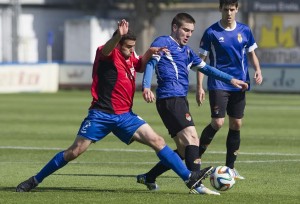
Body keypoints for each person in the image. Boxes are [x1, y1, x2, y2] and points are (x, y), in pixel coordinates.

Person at [16, 19, 213, 193]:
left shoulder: (130, 58)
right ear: (118, 44)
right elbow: (107, 48)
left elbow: (141, 65)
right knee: (74, 151)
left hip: (125, 116)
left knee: (158, 141)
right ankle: (35, 179)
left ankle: (189, 178)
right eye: (127, 47)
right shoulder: (107, 54)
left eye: (133, 47)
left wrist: (150, 53)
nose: (131, 51)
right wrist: (118, 35)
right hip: (101, 115)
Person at [136, 13, 248, 195]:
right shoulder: (163, 42)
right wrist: (146, 86)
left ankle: (149, 177)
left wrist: (231, 80)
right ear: (174, 27)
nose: (188, 34)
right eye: (185, 30)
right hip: (169, 99)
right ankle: (196, 182)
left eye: (191, 31)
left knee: (182, 149)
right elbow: (150, 64)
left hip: (180, 100)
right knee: (193, 138)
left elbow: (207, 69)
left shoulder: (187, 52)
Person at [196, 0, 263, 180]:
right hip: (218, 84)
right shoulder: (211, 32)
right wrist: (200, 86)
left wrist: (257, 69)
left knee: (236, 124)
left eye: (232, 9)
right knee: (217, 123)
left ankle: (230, 169)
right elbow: (201, 61)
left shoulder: (245, 30)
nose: (229, 13)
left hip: (240, 83)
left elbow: (251, 53)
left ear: (237, 10)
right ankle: (195, 161)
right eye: (225, 9)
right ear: (220, 9)